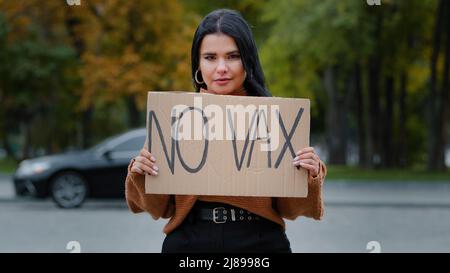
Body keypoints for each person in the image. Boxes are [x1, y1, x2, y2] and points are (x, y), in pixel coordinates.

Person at [125, 9, 326, 253]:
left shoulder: (276, 119)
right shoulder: (174, 117)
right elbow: (158, 208)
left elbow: (291, 210)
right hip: (189, 242)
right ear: (197, 64)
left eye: (232, 56)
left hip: (260, 243)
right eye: (210, 57)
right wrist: (141, 172)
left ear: (247, 61)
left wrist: (309, 175)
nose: (221, 67)